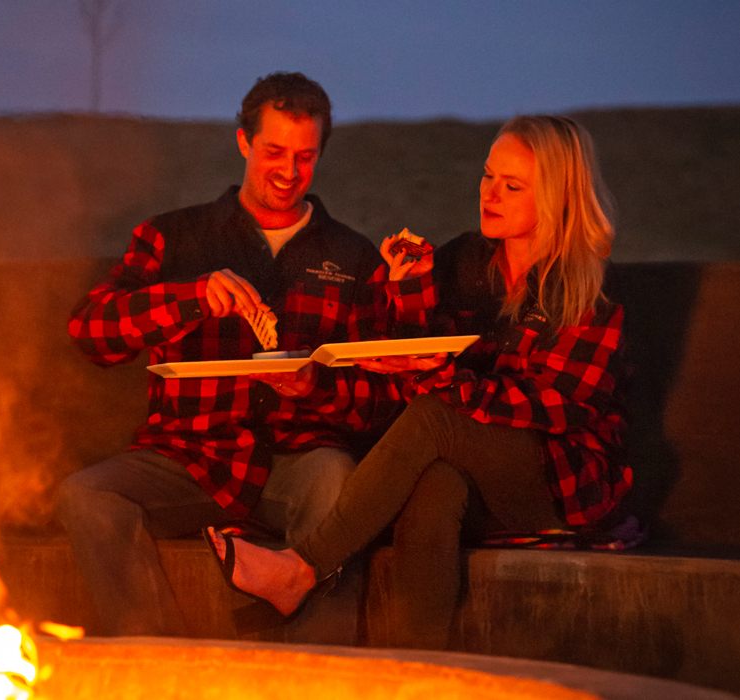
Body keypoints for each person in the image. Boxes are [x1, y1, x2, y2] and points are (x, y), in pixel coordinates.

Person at [207, 115, 632, 650]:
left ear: (558, 196)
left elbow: (559, 407)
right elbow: (416, 361)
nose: (490, 194)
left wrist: (443, 379)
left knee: (436, 420)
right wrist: (407, 291)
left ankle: (301, 569)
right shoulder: (467, 261)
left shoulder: (589, 290)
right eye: (487, 176)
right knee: (434, 487)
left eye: (512, 185)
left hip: (561, 474)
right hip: (472, 459)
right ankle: (421, 666)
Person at [59, 72, 398, 641]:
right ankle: (160, 666)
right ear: (243, 142)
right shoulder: (173, 239)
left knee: (338, 482)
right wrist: (188, 298)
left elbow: (387, 400)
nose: (289, 172)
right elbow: (89, 334)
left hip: (299, 459)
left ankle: (316, 679)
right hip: (188, 454)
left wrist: (316, 386)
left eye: (305, 157)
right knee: (87, 494)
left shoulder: (354, 257)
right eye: (274, 152)